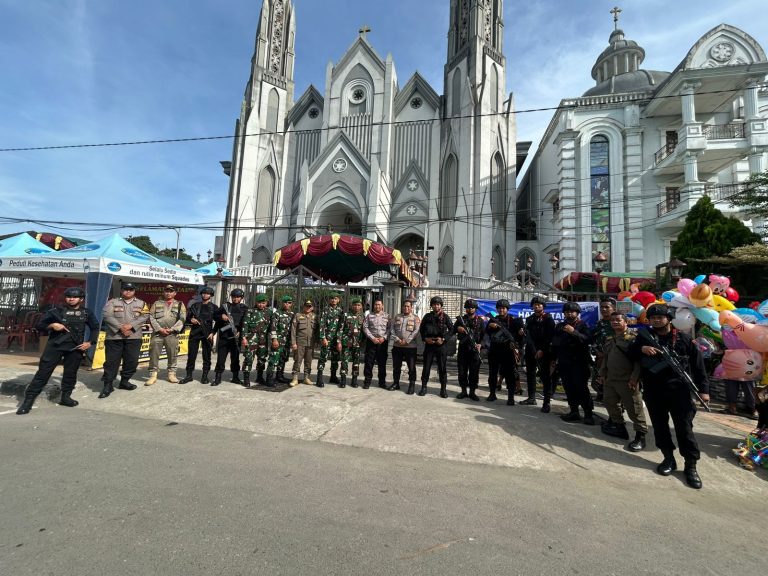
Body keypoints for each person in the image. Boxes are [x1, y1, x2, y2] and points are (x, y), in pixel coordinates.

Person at [629, 303, 710, 489]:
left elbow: (699, 367)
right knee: (660, 426)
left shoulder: (684, 339)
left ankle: (691, 465)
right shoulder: (644, 337)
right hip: (654, 391)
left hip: (680, 391)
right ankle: (668, 459)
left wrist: (704, 390)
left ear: (669, 318)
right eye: (653, 317)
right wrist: (641, 350)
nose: (657, 320)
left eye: (661, 317)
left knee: (685, 429)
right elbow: (629, 353)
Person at [17, 287, 99, 414]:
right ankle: (28, 401)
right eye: (68, 296)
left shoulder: (87, 313)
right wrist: (52, 325)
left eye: (75, 297)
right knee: (43, 373)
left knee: (70, 374)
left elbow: (95, 328)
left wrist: (89, 343)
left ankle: (65, 397)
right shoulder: (56, 311)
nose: (71, 299)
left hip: (75, 348)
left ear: (81, 299)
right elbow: (39, 325)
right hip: (55, 347)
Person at [598, 312, 649, 451]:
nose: (614, 322)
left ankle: (640, 436)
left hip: (627, 380)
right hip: (611, 378)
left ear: (625, 322)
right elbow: (606, 358)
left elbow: (638, 362)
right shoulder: (610, 339)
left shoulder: (633, 339)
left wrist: (634, 378)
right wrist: (602, 374)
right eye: (612, 320)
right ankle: (618, 426)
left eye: (618, 320)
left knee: (634, 408)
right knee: (609, 402)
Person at [99, 282, 150, 398]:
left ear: (134, 291)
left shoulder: (141, 303)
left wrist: (131, 326)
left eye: (131, 289)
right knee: (112, 362)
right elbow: (107, 315)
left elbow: (145, 316)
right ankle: (108, 384)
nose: (128, 291)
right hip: (114, 337)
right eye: (126, 289)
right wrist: (120, 327)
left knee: (132, 361)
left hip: (133, 337)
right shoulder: (113, 302)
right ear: (122, 291)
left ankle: (124, 381)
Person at [552, 301, 594, 424]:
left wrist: (573, 332)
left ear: (577, 313)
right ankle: (574, 411)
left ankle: (588, 414)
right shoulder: (560, 326)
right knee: (569, 388)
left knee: (581, 388)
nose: (569, 314)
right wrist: (554, 359)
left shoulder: (583, 325)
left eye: (572, 312)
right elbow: (555, 342)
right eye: (567, 312)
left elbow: (588, 339)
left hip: (579, 363)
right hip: (564, 362)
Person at [485, 299, 525, 405]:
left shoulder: (513, 321)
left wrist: (518, 340)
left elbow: (519, 337)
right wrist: (490, 326)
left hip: (507, 351)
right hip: (494, 350)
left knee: (510, 375)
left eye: (503, 308)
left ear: (507, 309)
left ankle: (510, 397)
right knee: (492, 373)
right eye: (499, 308)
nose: (501, 310)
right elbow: (486, 333)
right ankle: (492, 394)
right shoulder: (493, 319)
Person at [146, 285, 186, 385]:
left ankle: (171, 374)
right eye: (166, 291)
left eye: (171, 291)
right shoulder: (157, 303)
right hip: (157, 334)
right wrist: (159, 329)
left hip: (172, 334)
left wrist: (172, 329)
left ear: (175, 293)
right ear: (164, 293)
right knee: (154, 354)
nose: (168, 293)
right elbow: (151, 317)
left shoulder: (180, 304)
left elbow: (182, 319)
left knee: (173, 354)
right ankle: (153, 375)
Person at [523, 296, 555, 411]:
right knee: (530, 374)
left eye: (539, 304)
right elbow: (527, 335)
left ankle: (546, 402)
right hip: (531, 350)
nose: (537, 306)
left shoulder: (548, 319)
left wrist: (542, 350)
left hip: (544, 351)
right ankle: (531, 397)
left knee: (545, 377)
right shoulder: (530, 319)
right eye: (535, 304)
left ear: (543, 306)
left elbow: (550, 337)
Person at [180, 286, 217, 384]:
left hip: (207, 333)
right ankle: (189, 375)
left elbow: (218, 322)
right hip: (195, 332)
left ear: (211, 295)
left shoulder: (214, 307)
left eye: (208, 293)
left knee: (206, 356)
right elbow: (187, 318)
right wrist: (191, 320)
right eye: (204, 293)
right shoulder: (195, 306)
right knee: (191, 355)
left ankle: (205, 376)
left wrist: (213, 332)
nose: (205, 295)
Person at [418, 296, 454, 397]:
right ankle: (423, 387)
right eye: (434, 304)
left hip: (440, 345)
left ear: (441, 306)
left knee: (442, 368)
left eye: (438, 304)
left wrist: (443, 339)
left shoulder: (445, 317)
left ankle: (443, 389)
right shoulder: (427, 317)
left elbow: (452, 330)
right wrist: (425, 339)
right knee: (426, 367)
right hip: (429, 345)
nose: (436, 306)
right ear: (431, 306)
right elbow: (421, 329)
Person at [213, 288, 249, 386]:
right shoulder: (225, 306)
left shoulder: (244, 308)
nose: (235, 299)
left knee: (235, 358)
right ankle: (218, 377)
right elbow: (214, 315)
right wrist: (221, 317)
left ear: (241, 298)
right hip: (224, 336)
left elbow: (246, 322)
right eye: (233, 297)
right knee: (221, 358)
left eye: (237, 297)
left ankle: (235, 377)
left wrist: (240, 333)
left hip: (236, 337)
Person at [455, 299, 485, 401]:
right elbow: (452, 329)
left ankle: (472, 392)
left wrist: (481, 344)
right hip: (463, 349)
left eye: (471, 307)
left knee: (474, 372)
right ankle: (463, 391)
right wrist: (458, 328)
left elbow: (484, 335)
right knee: (462, 371)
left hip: (474, 350)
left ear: (475, 309)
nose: (469, 309)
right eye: (468, 307)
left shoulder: (480, 321)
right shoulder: (461, 320)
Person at [240, 293, 273, 387]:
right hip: (252, 338)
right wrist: (244, 338)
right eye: (259, 303)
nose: (261, 305)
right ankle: (246, 378)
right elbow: (245, 325)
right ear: (256, 302)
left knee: (262, 359)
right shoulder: (250, 311)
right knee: (248, 358)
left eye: (263, 303)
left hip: (263, 339)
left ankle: (259, 377)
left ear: (266, 302)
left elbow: (272, 326)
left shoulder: (269, 312)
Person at [389, 299, 420, 393]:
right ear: (402, 307)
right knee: (396, 366)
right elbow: (392, 329)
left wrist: (407, 341)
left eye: (408, 306)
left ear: (411, 308)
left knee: (411, 367)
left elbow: (416, 331)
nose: (406, 308)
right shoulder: (397, 317)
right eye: (404, 306)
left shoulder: (415, 318)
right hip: (397, 346)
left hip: (410, 347)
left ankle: (411, 385)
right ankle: (396, 383)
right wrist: (398, 340)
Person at [316, 292, 344, 387]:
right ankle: (319, 378)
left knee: (335, 358)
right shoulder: (325, 310)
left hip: (336, 339)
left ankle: (333, 376)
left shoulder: (340, 311)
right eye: (332, 298)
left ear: (338, 300)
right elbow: (322, 324)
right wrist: (323, 337)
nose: (333, 300)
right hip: (327, 339)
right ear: (329, 300)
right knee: (323, 358)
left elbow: (341, 326)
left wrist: (339, 340)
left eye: (335, 298)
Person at [591, 297, 616, 402]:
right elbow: (593, 339)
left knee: (611, 381)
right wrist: (596, 351)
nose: (604, 309)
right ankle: (601, 394)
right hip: (600, 357)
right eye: (602, 307)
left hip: (614, 358)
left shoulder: (618, 322)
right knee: (597, 380)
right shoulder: (598, 323)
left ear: (613, 308)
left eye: (607, 307)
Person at [266, 294, 294, 386]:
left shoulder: (292, 314)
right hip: (278, 340)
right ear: (282, 303)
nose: (287, 304)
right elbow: (273, 327)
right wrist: (274, 339)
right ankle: (269, 378)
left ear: (291, 304)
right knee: (274, 359)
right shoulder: (277, 313)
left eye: (289, 303)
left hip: (287, 342)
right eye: (285, 303)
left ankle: (279, 376)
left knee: (283, 359)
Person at [363, 298, 391, 389]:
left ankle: (382, 382)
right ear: (373, 306)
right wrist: (372, 338)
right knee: (369, 362)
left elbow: (389, 329)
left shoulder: (387, 316)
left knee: (382, 363)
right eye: (375, 304)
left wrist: (384, 337)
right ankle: (367, 381)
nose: (377, 306)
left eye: (379, 304)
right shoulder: (369, 316)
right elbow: (365, 327)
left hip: (382, 343)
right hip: (371, 342)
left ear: (382, 306)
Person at [290, 299, 317, 386]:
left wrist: (317, 342)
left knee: (308, 361)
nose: (308, 308)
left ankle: (306, 377)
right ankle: (295, 378)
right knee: (298, 360)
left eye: (310, 306)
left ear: (312, 307)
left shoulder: (315, 317)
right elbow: (293, 330)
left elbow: (317, 331)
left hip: (310, 343)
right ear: (304, 306)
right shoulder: (298, 316)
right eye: (306, 306)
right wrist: (293, 342)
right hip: (300, 342)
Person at [339, 297, 365, 388]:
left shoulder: (362, 317)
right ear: (351, 305)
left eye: (358, 305)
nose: (356, 307)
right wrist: (339, 342)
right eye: (355, 305)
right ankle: (343, 379)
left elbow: (363, 331)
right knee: (344, 361)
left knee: (356, 362)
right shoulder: (346, 315)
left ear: (361, 306)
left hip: (357, 343)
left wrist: (363, 343)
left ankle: (354, 379)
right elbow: (340, 329)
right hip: (347, 342)